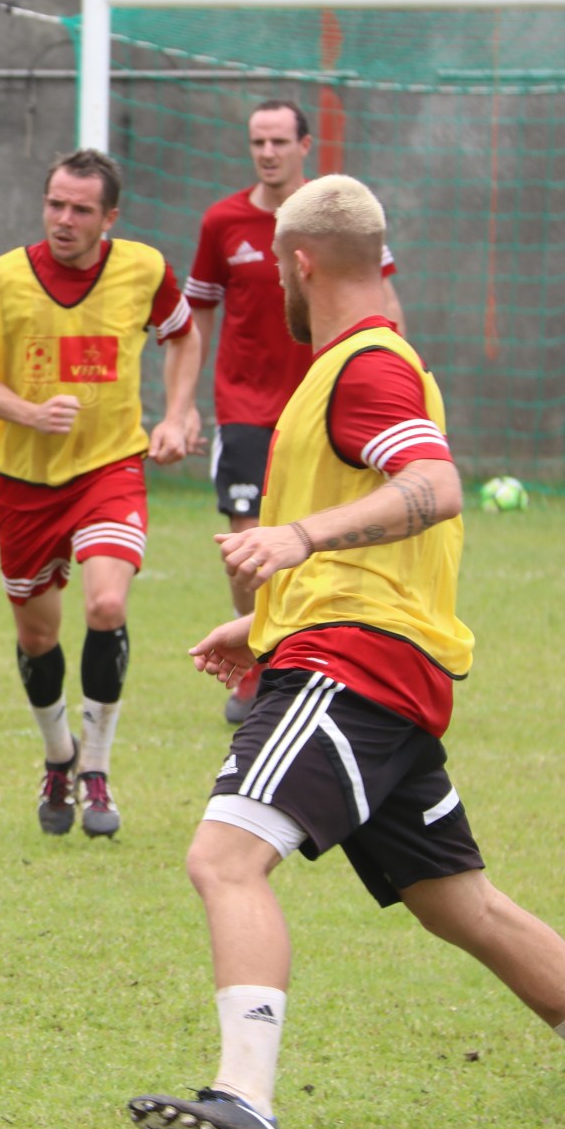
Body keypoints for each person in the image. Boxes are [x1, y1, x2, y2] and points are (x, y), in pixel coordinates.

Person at [129, 175, 565, 1129]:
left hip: (354, 667)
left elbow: (435, 484)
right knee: (464, 906)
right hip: (368, 659)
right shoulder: (346, 369)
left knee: (225, 858)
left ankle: (245, 1096)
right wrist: (264, 624)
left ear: (298, 263)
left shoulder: (366, 367)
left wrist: (295, 537)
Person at [0, 149, 203, 839]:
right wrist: (28, 412)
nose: (64, 219)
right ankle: (57, 755)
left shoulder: (144, 269)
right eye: (55, 204)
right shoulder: (2, 278)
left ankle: (96, 768)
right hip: (25, 481)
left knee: (107, 602)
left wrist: (178, 414)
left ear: (109, 218)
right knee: (37, 636)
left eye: (80, 209)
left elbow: (183, 337)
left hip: (109, 467)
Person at [185, 101, 403, 724]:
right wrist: (183, 406)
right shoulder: (221, 221)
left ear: (305, 144)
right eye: (258, 140)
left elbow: (380, 295)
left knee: (320, 538)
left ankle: (305, 655)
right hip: (246, 407)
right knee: (248, 538)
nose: (268, 151)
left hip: (322, 404)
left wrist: (401, 367)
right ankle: (260, 661)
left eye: (280, 140)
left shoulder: (334, 218)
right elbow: (197, 313)